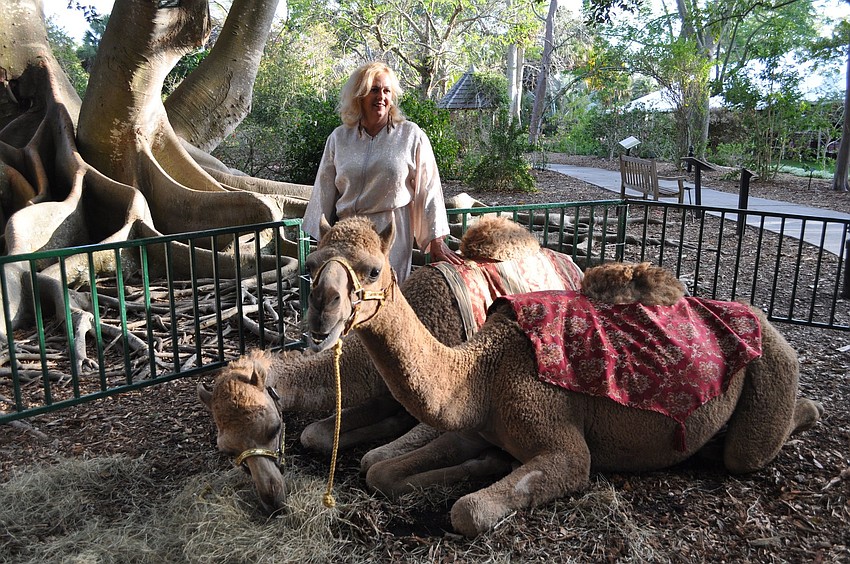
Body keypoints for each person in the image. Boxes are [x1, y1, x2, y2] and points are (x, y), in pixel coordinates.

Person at [303, 61, 463, 284]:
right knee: (348, 297)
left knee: (386, 297)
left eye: (386, 91)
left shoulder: (411, 135)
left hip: (390, 233)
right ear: (359, 95)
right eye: (374, 90)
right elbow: (324, 188)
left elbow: (429, 188)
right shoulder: (339, 138)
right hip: (348, 234)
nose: (381, 97)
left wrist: (435, 240)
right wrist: (322, 237)